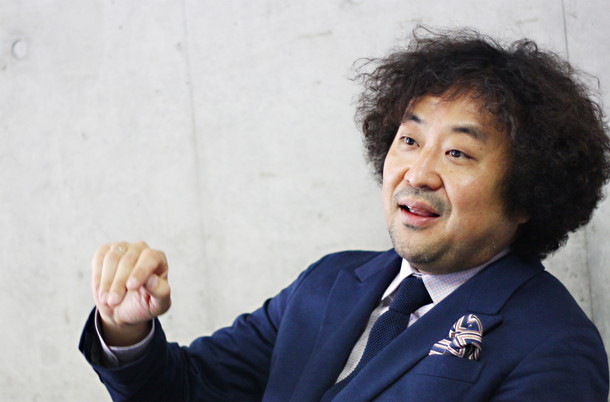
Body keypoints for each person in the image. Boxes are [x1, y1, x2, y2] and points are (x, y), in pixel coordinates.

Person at [80, 27, 610, 401]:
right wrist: (126, 328)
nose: (418, 173)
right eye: (409, 140)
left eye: (457, 153)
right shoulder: (328, 281)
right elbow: (189, 389)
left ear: (527, 193)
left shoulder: (556, 346)